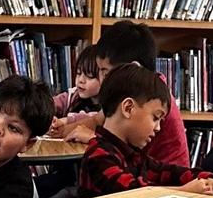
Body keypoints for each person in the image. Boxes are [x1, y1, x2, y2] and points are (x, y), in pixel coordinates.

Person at [78, 64, 213, 198]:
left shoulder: (133, 155)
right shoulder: (98, 154)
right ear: (128, 108)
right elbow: (130, 194)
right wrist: (182, 193)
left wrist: (206, 179)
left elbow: (168, 172)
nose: (158, 128)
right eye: (155, 117)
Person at [73, 21, 191, 166]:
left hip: (159, 183)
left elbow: (129, 161)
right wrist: (61, 130)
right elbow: (97, 120)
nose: (101, 80)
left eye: (106, 72)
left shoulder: (152, 101)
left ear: (132, 68)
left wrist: (94, 140)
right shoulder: (130, 94)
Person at [49, 42, 110, 139]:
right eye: (78, 73)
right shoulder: (72, 96)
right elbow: (51, 103)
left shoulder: (109, 106)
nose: (81, 80)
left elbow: (91, 118)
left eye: (89, 76)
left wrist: (65, 121)